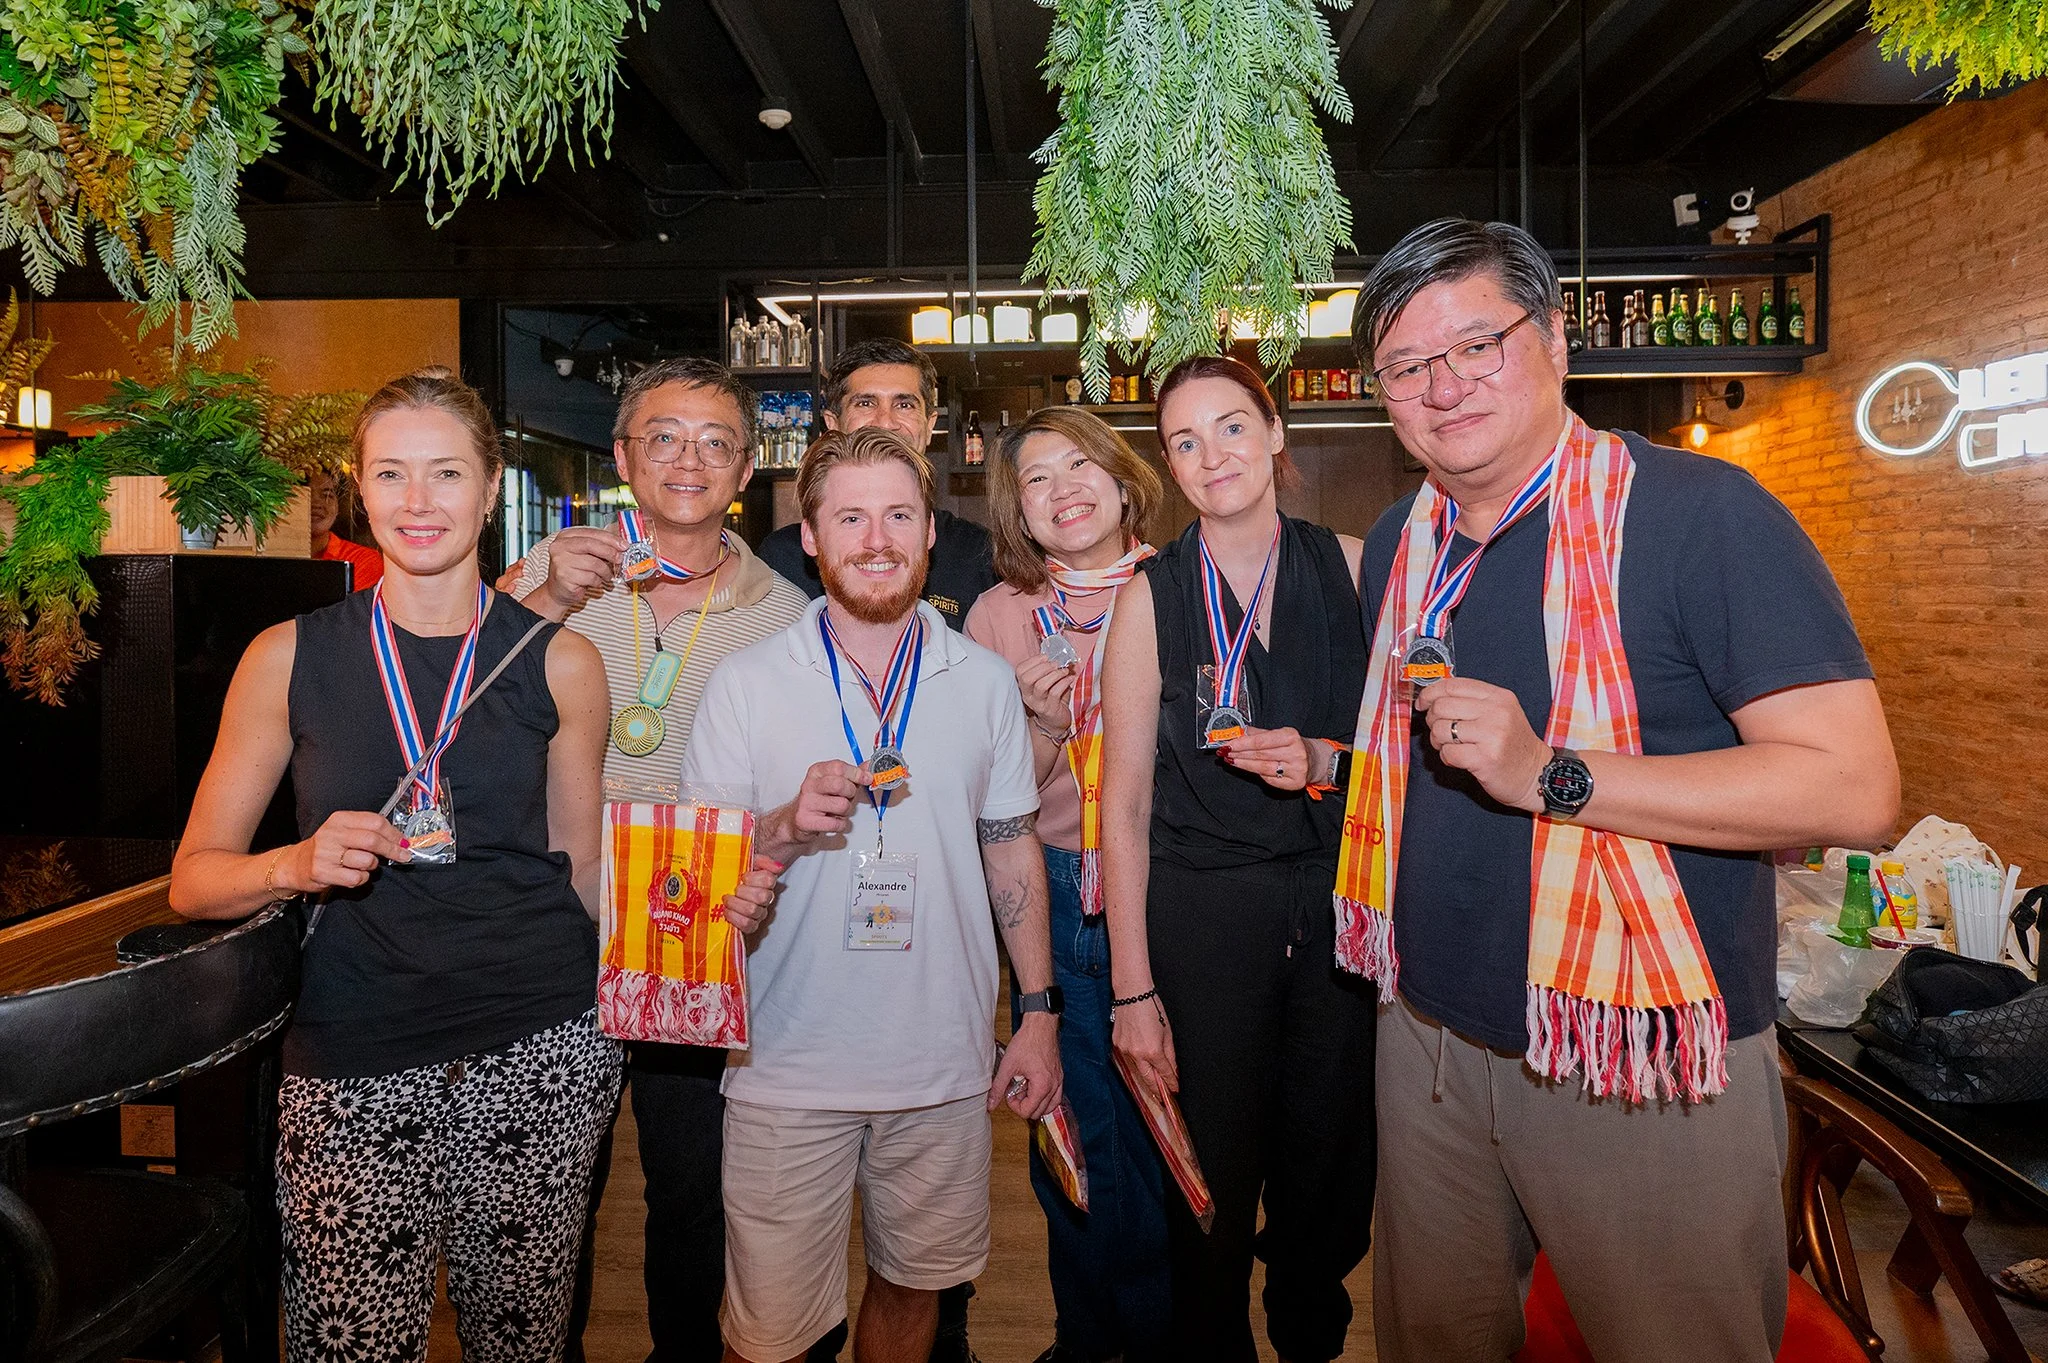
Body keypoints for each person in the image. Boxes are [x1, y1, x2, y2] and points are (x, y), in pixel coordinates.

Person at [1344, 218, 1899, 1363]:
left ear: (1551, 339)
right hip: (1430, 1041)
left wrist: (1549, 772)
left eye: (1475, 344)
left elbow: (1850, 790)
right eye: (1404, 367)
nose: (1442, 387)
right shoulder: (1406, 539)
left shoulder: (1701, 514)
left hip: (1638, 1058)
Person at [169, 368, 773, 1362]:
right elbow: (196, 876)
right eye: (392, 473)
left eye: (446, 473)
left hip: (542, 1044)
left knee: (521, 1340)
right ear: (360, 490)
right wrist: (296, 861)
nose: (418, 501)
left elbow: (581, 875)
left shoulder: (560, 659)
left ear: (490, 490)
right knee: (349, 1341)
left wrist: (706, 914)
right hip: (353, 1049)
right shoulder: (287, 656)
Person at [680, 426, 1063, 1363]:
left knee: (913, 1290)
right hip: (780, 1064)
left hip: (942, 1061)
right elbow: (696, 881)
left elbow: (1011, 849)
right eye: (849, 516)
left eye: (898, 513)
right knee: (766, 1337)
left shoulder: (980, 681)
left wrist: (1040, 1010)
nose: (876, 537)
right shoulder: (745, 683)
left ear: (931, 529)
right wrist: (780, 825)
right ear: (809, 537)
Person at [510, 356, 810, 1363]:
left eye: (715, 441)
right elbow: (459, 711)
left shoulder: (786, 612)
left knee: (692, 1184)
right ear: (624, 455)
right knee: (555, 1183)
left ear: (745, 469)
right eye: (665, 436)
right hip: (554, 921)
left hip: (692, 930)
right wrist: (546, 598)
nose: (689, 458)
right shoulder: (550, 571)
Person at [1097, 355, 1378, 1363]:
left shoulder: (1353, 568)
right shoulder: (1150, 598)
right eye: (1182, 439)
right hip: (1202, 917)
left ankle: (1312, 1340)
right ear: (1168, 466)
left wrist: (1321, 758)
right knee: (1207, 1183)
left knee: (1331, 1176)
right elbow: (1120, 808)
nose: (1209, 454)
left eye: (1227, 427)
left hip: (1336, 913)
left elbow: (1404, 760)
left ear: (1272, 434)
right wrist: (1131, 991)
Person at [964, 408, 1171, 1363]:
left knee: (1163, 1128)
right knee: (1073, 1131)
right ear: (1021, 515)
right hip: (1046, 888)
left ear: (1126, 481)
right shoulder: (999, 617)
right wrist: (1039, 728)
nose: (1062, 488)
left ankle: (1164, 1332)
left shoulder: (1184, 587)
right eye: (1037, 479)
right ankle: (1090, 1339)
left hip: (1165, 890)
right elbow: (989, 802)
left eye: (1080, 464)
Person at [757, 338, 996, 631]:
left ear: (930, 424)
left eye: (904, 404)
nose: (886, 422)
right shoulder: (781, 559)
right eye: (866, 403)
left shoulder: (978, 553)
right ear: (833, 423)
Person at [308, 467, 384, 590]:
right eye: (307, 494)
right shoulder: (271, 554)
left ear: (338, 507)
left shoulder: (361, 560)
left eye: (327, 495)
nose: (316, 503)